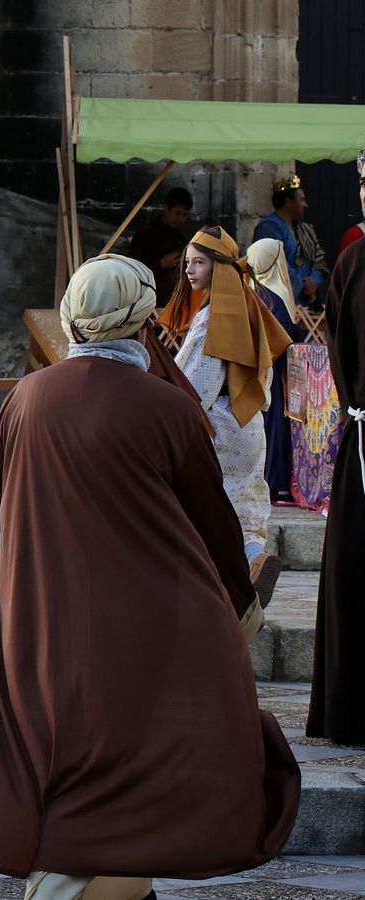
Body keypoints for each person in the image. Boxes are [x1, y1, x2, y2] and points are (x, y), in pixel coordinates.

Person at [0, 254, 300, 899]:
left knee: (67, 782)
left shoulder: (25, 401)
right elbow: (215, 527)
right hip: (148, 629)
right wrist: (239, 608)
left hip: (40, 620)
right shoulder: (167, 409)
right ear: (141, 320)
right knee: (129, 784)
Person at [159, 226, 293, 606]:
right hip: (250, 422)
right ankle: (255, 559)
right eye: (187, 262)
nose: (188, 270)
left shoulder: (212, 317)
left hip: (217, 424)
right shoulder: (251, 306)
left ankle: (212, 587)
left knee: (207, 504)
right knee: (246, 502)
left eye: (199, 262)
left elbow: (195, 385)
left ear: (220, 266)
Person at [307, 149, 365, 746]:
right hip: (364, 435)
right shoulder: (353, 261)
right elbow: (341, 341)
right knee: (353, 565)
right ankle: (350, 710)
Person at [247, 238, 307, 505]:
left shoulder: (250, 292)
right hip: (273, 372)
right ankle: (276, 485)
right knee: (274, 427)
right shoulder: (274, 296)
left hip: (255, 371)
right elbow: (283, 334)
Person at [253, 175, 328, 311]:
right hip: (279, 306)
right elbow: (274, 265)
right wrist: (301, 285)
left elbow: (319, 261)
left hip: (305, 305)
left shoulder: (306, 230)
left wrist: (314, 281)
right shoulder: (268, 228)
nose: (306, 205)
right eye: (302, 200)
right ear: (288, 202)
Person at [126, 186, 193, 300]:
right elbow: (132, 273)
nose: (181, 219)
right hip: (151, 301)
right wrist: (161, 264)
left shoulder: (187, 236)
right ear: (165, 208)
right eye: (177, 213)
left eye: (185, 215)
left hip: (180, 299)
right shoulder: (144, 236)